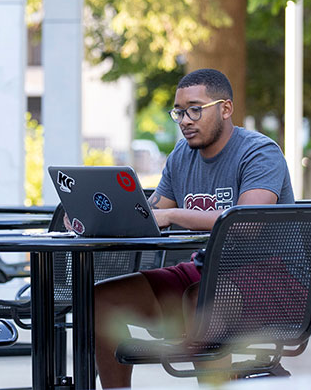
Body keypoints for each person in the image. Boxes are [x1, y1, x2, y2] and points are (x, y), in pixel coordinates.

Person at [94, 68, 294, 388]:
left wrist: (176, 215)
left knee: (202, 298)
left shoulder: (260, 152)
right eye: (179, 112)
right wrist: (95, 215)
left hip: (272, 277)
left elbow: (249, 222)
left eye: (195, 109)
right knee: (103, 299)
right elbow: (154, 212)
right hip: (205, 272)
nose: (185, 120)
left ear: (225, 108)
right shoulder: (180, 157)